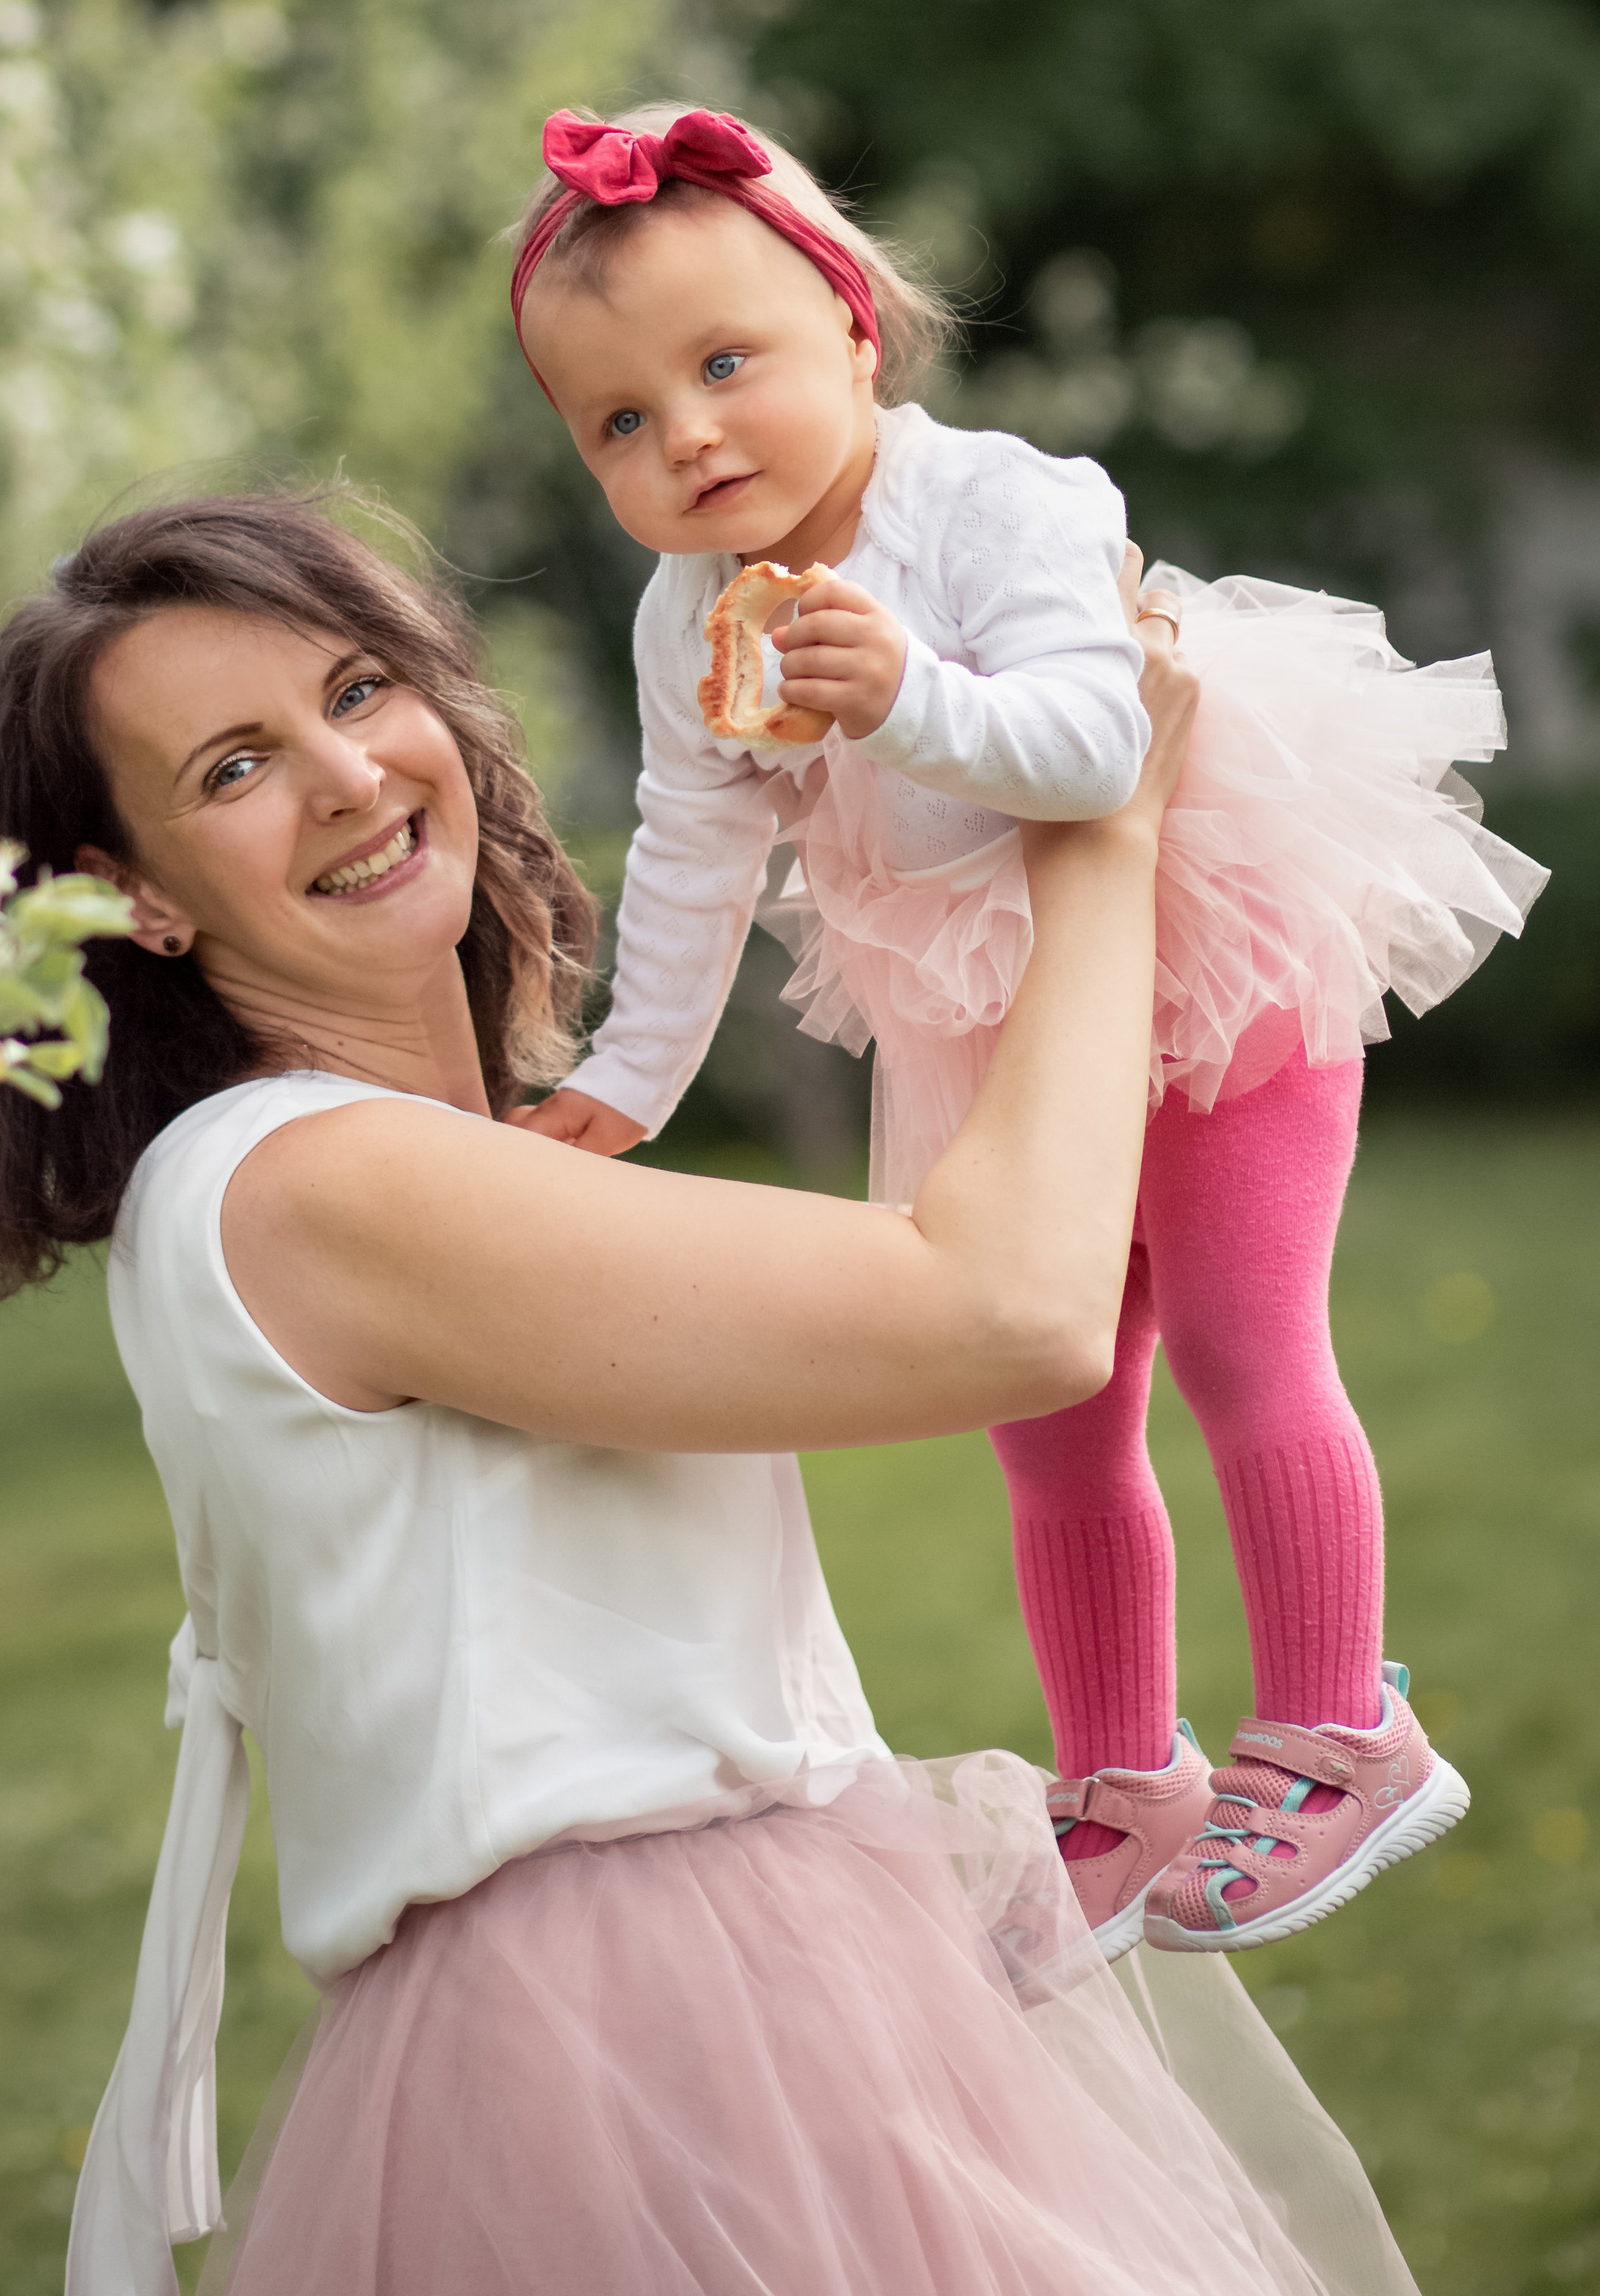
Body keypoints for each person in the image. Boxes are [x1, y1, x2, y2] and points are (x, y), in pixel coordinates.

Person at [0, 492, 1432, 2296]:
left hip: (752, 1986)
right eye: (237, 764)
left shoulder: (418, 1164)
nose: (344, 777)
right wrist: (1100, 835)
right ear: (140, 895)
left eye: (357, 689)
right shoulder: (316, 1186)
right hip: (637, 2050)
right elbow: (1014, 1309)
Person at [508, 102, 1545, 1960]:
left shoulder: (997, 503)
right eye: (618, 423)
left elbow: (1092, 748)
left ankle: (1340, 1729)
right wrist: (620, 1082)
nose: (687, 438)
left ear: (847, 322)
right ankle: (1120, 1782)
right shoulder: (689, 621)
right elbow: (690, 855)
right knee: (1045, 1404)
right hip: (985, 1008)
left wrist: (905, 695)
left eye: (722, 364)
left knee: (1241, 1338)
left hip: (1197, 935)